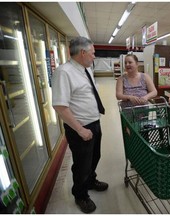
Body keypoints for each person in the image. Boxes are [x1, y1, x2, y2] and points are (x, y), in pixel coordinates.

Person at [52, 36, 108, 214]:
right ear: (82, 53)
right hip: (80, 128)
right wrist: (80, 129)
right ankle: (80, 194)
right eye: (93, 53)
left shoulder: (86, 69)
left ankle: (91, 180)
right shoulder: (64, 72)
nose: (94, 56)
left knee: (95, 156)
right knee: (82, 164)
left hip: (94, 122)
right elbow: (60, 106)